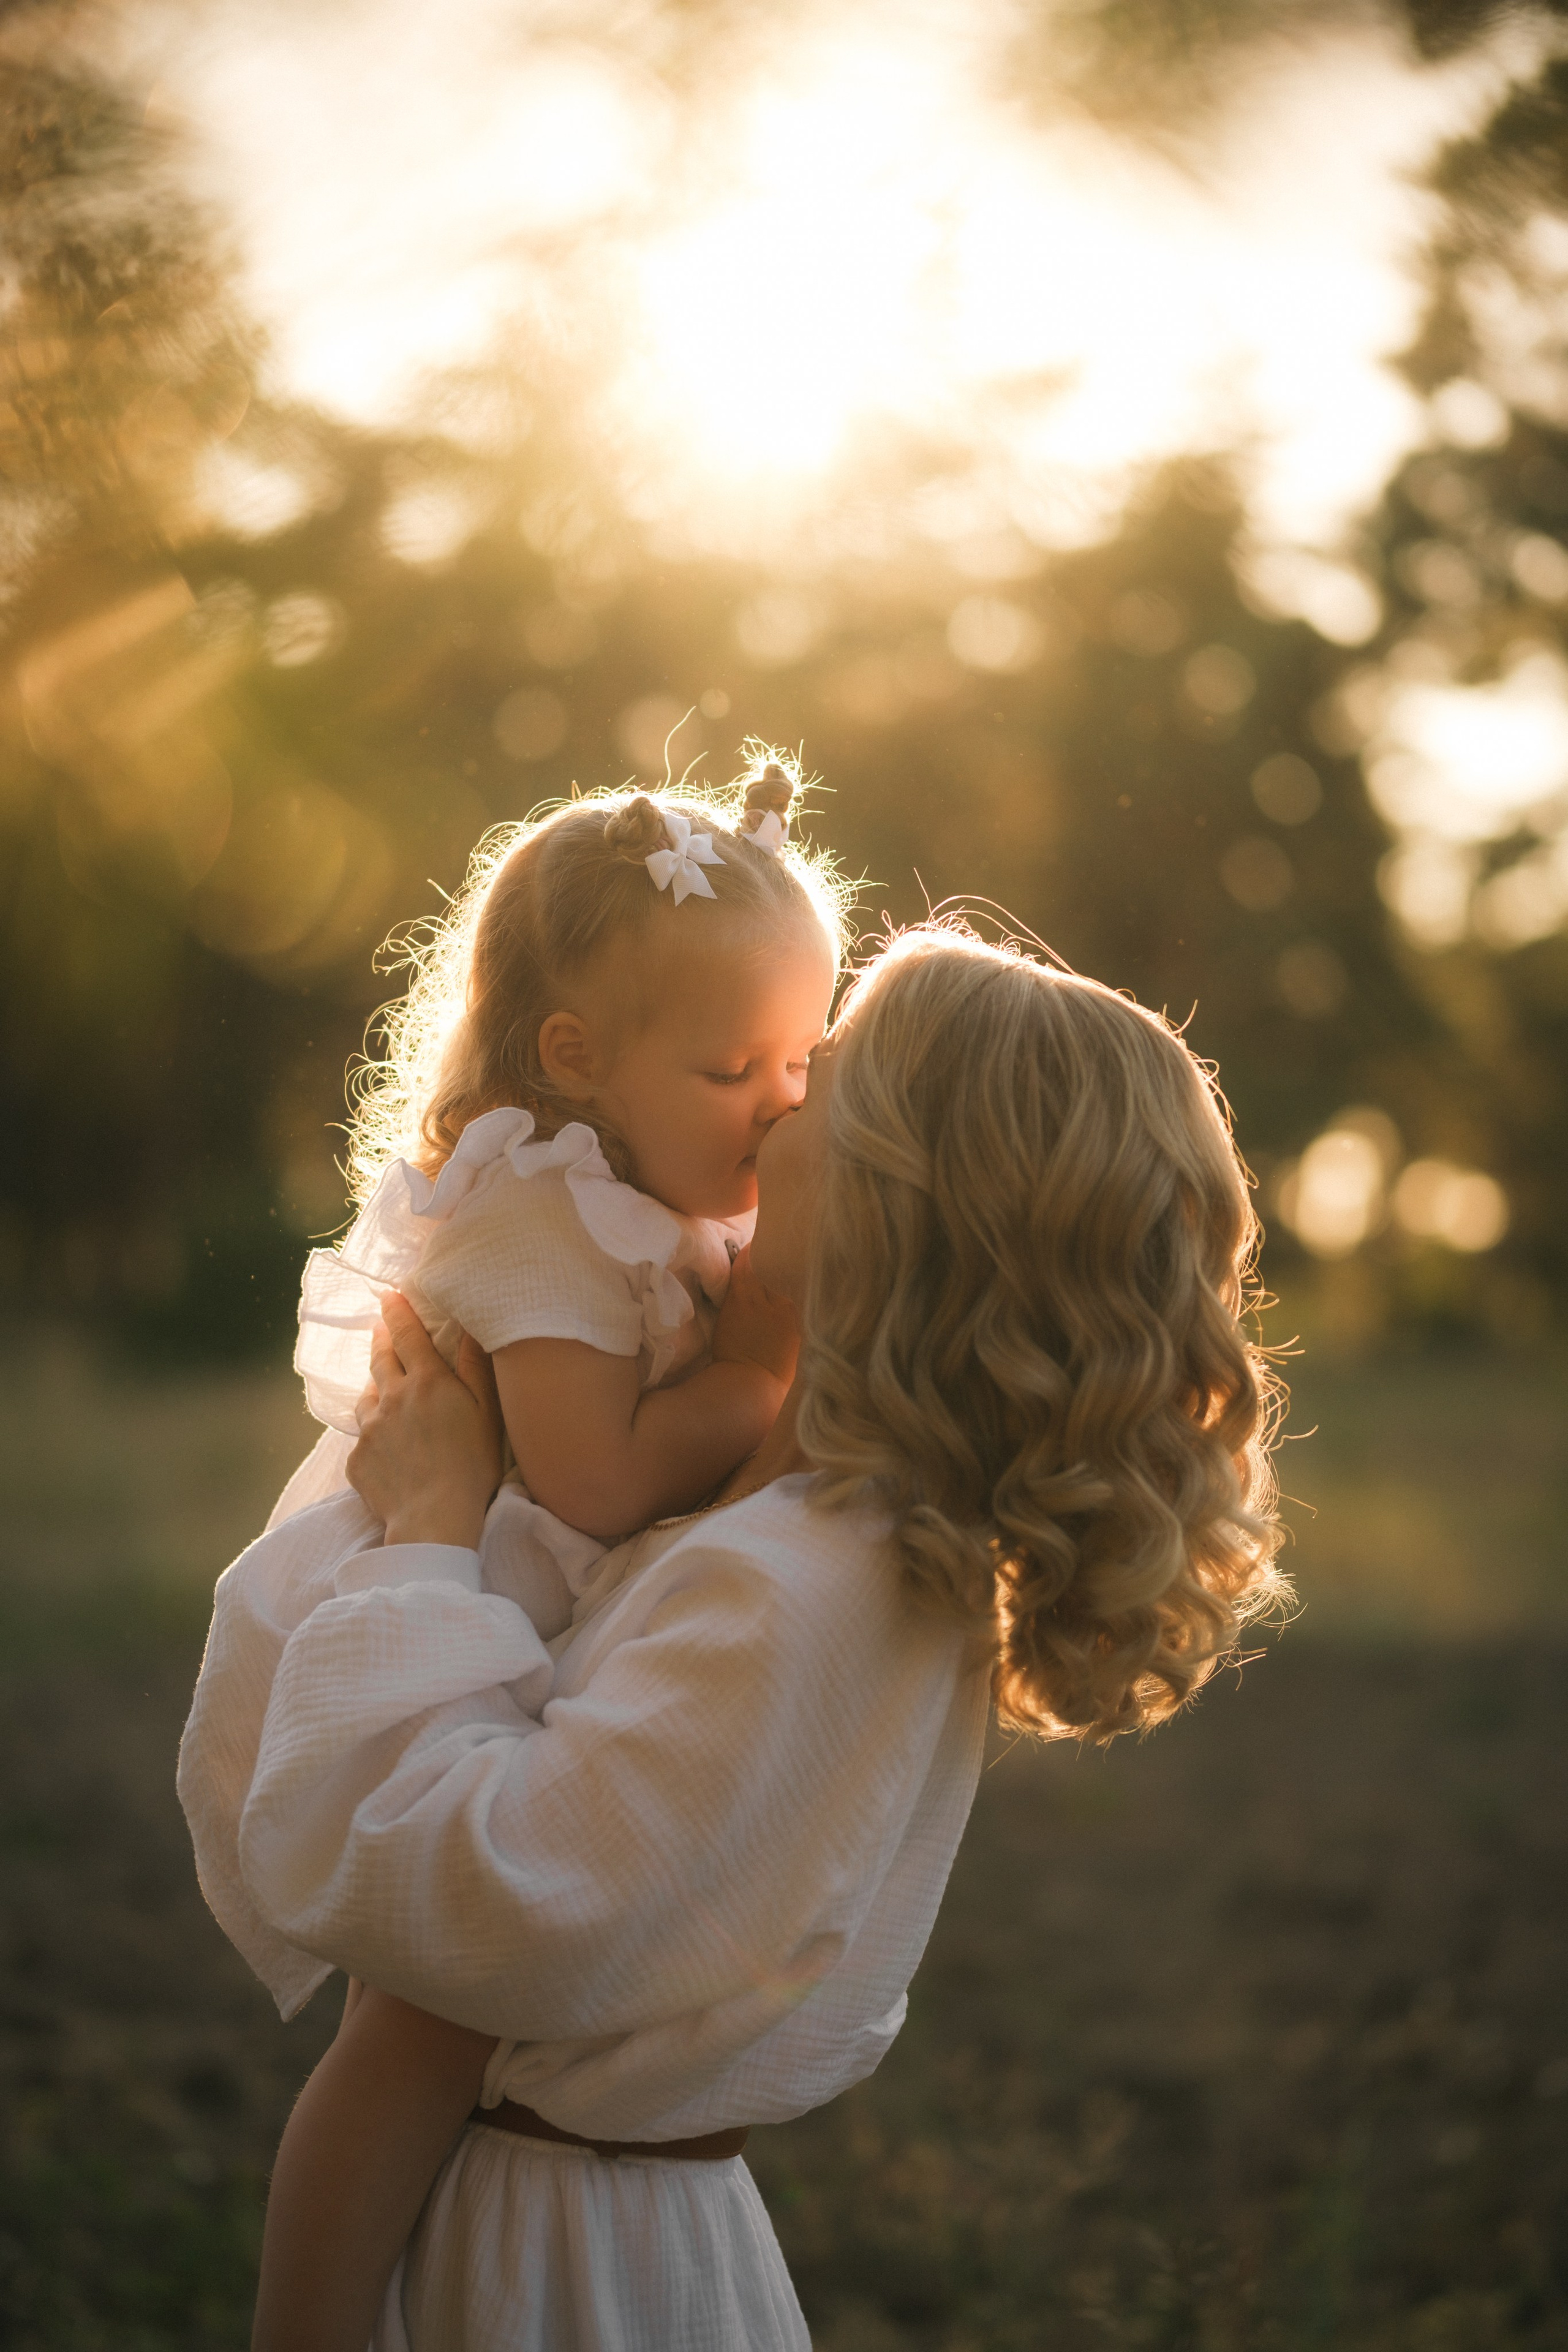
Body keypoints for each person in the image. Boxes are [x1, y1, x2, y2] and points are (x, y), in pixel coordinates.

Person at [183, 922, 1288, 2352]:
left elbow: (482, 1904)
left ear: (902, 1187)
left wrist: (433, 1529)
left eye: (826, 1068)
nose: (777, 1098)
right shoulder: (804, 1525)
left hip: (556, 2269)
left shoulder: (807, 1582)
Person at [177, 752, 845, 2346]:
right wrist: (757, 1370)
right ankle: (306, 2323)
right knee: (413, 2032)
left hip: (519, 1611)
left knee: (461, 2020)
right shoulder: (538, 1217)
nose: (777, 1105)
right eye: (732, 1068)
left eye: (803, 1061)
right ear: (577, 1060)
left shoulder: (664, 1186)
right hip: (446, 1606)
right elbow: (595, 1481)